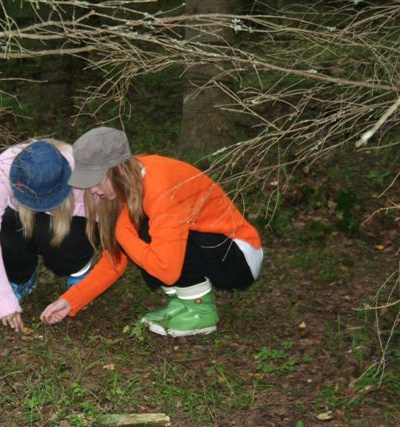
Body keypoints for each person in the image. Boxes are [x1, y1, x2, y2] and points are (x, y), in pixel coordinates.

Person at [40, 127, 263, 337]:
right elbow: (114, 260)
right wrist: (70, 301)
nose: (93, 191)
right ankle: (182, 303)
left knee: (144, 233)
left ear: (118, 169)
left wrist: (122, 232)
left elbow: (167, 271)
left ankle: (201, 312)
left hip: (237, 257)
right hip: (212, 249)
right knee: (141, 234)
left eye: (96, 181)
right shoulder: (130, 184)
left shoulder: (160, 188)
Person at [0, 139, 94, 333]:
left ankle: (78, 272)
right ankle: (21, 279)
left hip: (68, 223)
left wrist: (83, 292)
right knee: (7, 225)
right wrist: (3, 300)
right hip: (20, 219)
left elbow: (107, 225)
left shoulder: (81, 172)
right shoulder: (4, 167)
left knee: (70, 237)